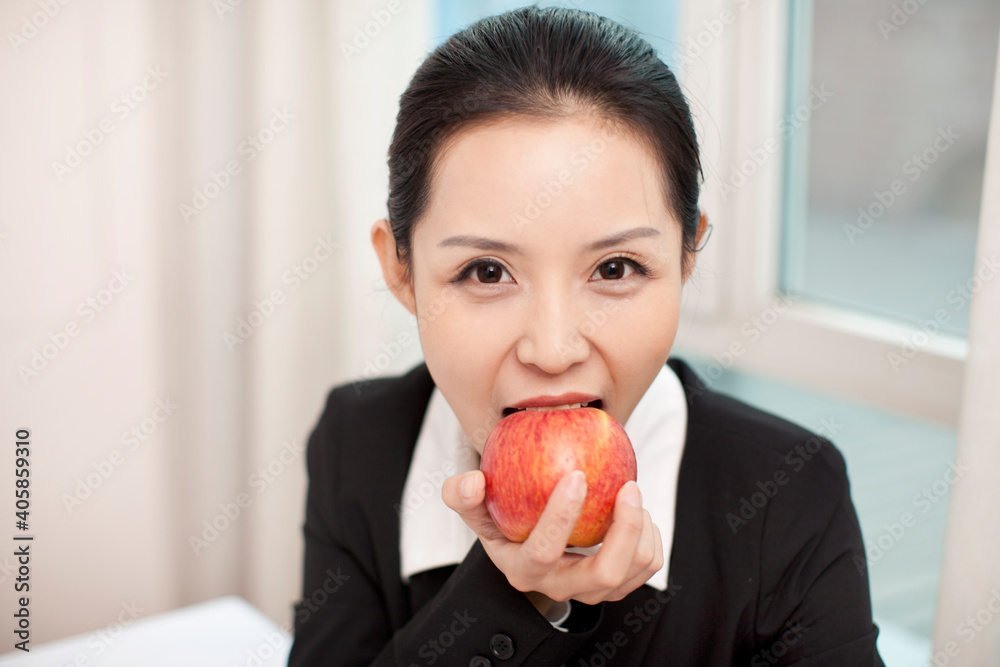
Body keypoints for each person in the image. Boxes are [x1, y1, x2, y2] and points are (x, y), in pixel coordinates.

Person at [288, 6, 884, 665]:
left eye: (614, 268)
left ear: (687, 257)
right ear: (402, 271)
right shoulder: (357, 444)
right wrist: (511, 596)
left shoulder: (789, 494)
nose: (553, 348)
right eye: (486, 271)